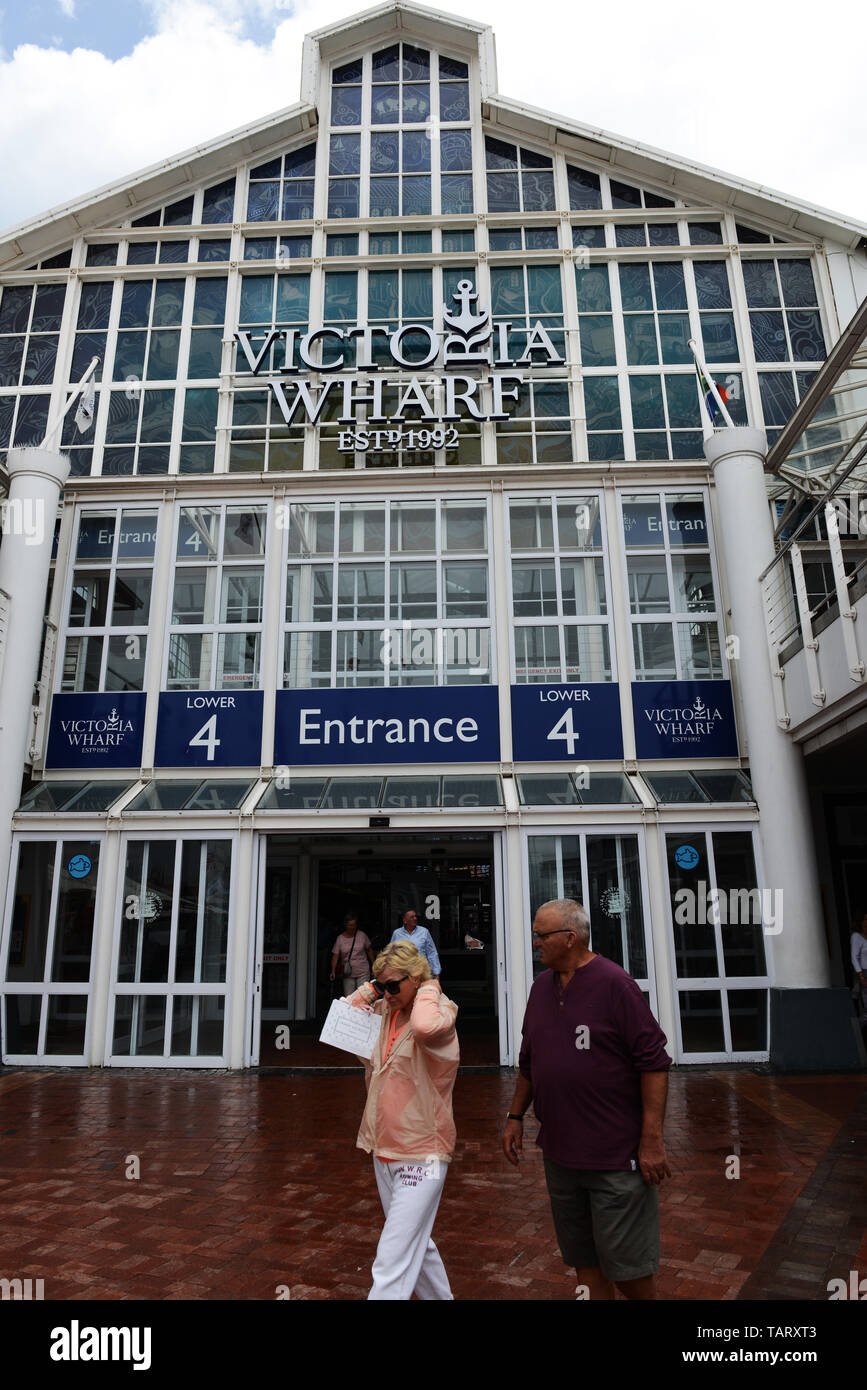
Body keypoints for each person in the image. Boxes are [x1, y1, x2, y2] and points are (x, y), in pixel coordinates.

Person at [502, 898, 672, 1301]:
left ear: (569, 938)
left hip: (614, 1158)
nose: (534, 943)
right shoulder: (540, 988)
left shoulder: (615, 984)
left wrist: (651, 1139)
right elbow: (530, 1059)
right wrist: (514, 1116)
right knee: (586, 1266)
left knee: (628, 1272)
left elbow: (654, 1062)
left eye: (540, 935)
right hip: (561, 1157)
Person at [347, 940, 458, 1300]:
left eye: (395, 985)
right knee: (417, 1246)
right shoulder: (383, 1011)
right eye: (383, 986)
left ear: (416, 979)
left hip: (422, 1152)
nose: (387, 993)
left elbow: (424, 1028)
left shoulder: (438, 1012)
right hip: (383, 1146)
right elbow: (343, 1019)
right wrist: (374, 987)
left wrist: (428, 986)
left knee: (392, 1258)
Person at [390, 907, 441, 979]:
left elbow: (432, 953)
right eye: (411, 917)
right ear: (405, 920)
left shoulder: (424, 932)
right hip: (403, 974)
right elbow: (391, 954)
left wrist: (436, 973)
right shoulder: (397, 933)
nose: (415, 918)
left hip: (422, 973)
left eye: (415, 916)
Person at [330, 915, 374, 996]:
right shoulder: (340, 939)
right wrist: (333, 971)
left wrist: (374, 965)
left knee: (363, 997)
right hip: (347, 973)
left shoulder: (362, 935)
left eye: (354, 925)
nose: (352, 927)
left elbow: (369, 950)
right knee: (349, 998)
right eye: (350, 925)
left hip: (363, 971)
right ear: (345, 925)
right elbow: (335, 956)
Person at [850, 910, 867, 1037]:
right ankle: (854, 1034)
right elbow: (854, 957)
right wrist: (861, 975)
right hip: (864, 973)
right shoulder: (856, 937)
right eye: (865, 919)